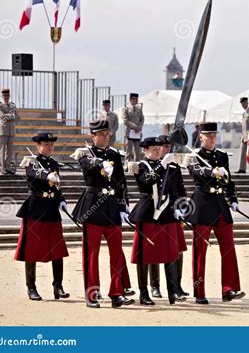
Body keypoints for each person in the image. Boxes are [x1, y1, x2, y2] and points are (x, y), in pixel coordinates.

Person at [70, 120, 134, 308]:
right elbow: (87, 166)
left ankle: (116, 292)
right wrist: (101, 164)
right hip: (93, 208)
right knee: (92, 254)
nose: (106, 137)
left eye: (108, 134)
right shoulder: (85, 154)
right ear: (93, 136)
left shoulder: (115, 154)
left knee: (116, 252)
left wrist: (123, 207)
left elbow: (121, 183)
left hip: (112, 207)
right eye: (102, 134)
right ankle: (92, 293)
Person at [187, 122, 245, 304]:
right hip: (202, 206)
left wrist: (233, 199)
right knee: (200, 252)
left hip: (220, 206)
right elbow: (195, 172)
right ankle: (200, 292)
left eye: (214, 135)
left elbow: (229, 181)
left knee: (228, 248)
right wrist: (211, 172)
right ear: (201, 137)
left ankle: (229, 289)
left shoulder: (221, 156)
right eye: (208, 136)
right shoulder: (194, 156)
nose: (212, 138)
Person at [128, 136, 186, 305]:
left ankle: (172, 291)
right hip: (147, 213)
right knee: (144, 255)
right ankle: (144, 293)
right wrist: (163, 165)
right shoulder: (140, 166)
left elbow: (174, 189)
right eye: (153, 149)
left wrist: (179, 208)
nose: (157, 151)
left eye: (159, 149)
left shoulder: (167, 166)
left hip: (165, 213)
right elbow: (148, 181)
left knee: (170, 253)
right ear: (145, 151)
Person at [14, 132, 69, 301]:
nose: (49, 147)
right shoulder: (31, 162)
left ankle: (57, 286)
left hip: (52, 209)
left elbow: (56, 186)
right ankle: (31, 287)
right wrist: (47, 175)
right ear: (38, 146)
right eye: (46, 144)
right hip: (35, 209)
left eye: (51, 144)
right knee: (31, 251)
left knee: (57, 249)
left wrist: (61, 199)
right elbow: (34, 174)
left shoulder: (53, 163)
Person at [147, 135, 189, 299]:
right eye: (164, 146)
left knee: (177, 250)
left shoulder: (174, 167)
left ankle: (176, 285)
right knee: (154, 250)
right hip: (155, 213)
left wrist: (181, 208)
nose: (167, 149)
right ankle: (155, 286)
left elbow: (180, 190)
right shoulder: (152, 167)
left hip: (172, 213)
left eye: (168, 146)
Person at [0, 88, 20, 175]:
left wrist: (10, 116)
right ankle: (2, 168)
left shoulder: (13, 105)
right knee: (2, 151)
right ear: (2, 96)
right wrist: (11, 116)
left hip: (11, 131)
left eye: (7, 95)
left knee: (9, 151)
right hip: (2, 130)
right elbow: (1, 116)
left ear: (9, 96)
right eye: (4, 96)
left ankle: (8, 167)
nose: (6, 97)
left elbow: (18, 117)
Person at [123, 93, 144, 163]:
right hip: (129, 133)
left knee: (138, 151)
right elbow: (125, 121)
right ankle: (127, 165)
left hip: (137, 133)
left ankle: (137, 165)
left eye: (137, 99)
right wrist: (135, 127)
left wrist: (140, 127)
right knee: (128, 151)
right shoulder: (126, 109)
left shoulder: (139, 109)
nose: (137, 100)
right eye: (135, 99)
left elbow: (142, 119)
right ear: (131, 99)